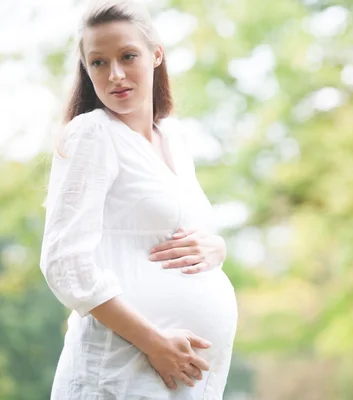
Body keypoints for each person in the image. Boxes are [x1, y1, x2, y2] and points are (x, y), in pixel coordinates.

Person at [39, 0, 238, 398]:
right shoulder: (92, 134)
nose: (115, 74)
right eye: (98, 62)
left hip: (186, 381)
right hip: (121, 371)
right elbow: (63, 263)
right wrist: (154, 342)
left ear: (156, 54)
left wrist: (216, 248)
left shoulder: (175, 139)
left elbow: (182, 233)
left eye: (128, 56)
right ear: (86, 69)